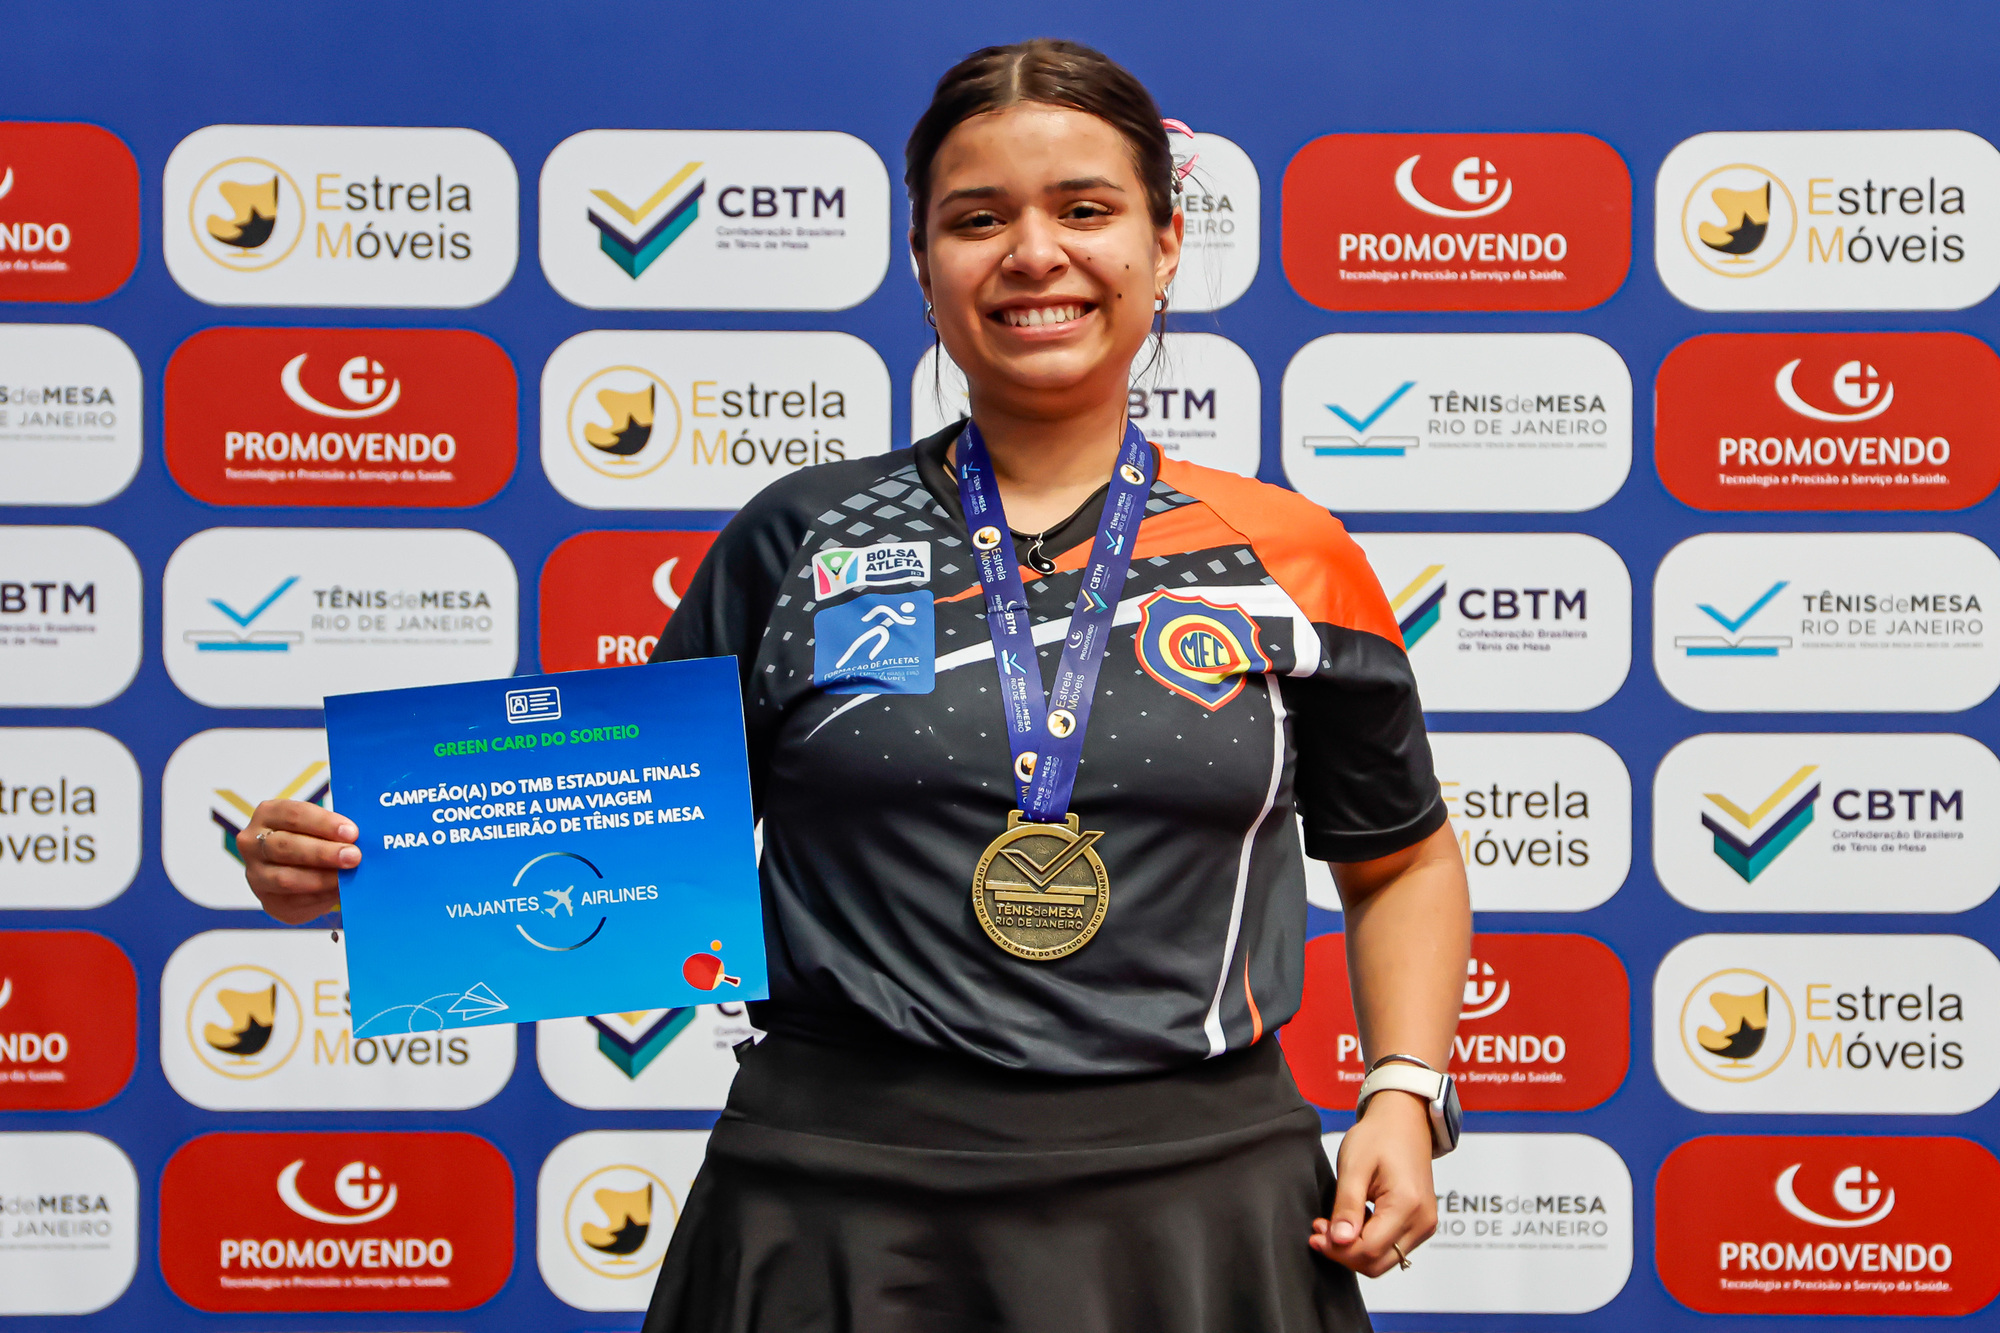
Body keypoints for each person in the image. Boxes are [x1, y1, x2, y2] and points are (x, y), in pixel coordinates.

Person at [239, 38, 1472, 1333]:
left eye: (1086, 210)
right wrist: (365, 870)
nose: (1034, 254)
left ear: (1165, 246)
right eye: (977, 220)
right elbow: (628, 836)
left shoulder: (1292, 556)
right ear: (924, 266)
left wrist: (1403, 1085)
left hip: (1193, 1211)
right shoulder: (798, 537)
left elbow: (1400, 858)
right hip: (831, 1208)